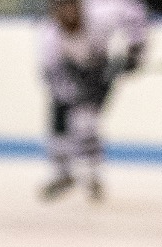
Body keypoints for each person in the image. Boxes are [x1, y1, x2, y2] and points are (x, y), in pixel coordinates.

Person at [37, 0, 149, 202]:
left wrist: (136, 48)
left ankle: (93, 177)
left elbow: (134, 11)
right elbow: (52, 76)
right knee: (59, 123)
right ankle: (63, 174)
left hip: (99, 70)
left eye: (71, 6)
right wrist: (75, 94)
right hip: (69, 75)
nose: (67, 14)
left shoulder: (103, 13)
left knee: (86, 123)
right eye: (60, 9)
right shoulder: (49, 38)